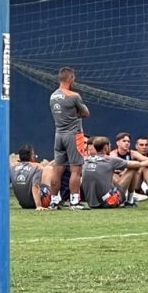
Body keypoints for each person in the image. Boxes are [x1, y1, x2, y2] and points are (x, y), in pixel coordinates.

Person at [49, 66, 89, 210]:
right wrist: (76, 114)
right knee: (76, 169)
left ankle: (54, 201)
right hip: (73, 135)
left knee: (57, 169)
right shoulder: (74, 96)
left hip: (58, 135)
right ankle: (74, 202)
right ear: (71, 78)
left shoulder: (52, 96)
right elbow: (86, 113)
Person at [82, 136, 148, 209]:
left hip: (90, 203)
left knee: (107, 174)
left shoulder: (86, 161)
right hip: (109, 202)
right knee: (133, 168)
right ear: (106, 147)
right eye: (109, 145)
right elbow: (136, 165)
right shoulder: (110, 160)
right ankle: (130, 201)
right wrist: (143, 164)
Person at [10, 145, 53, 210]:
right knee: (48, 169)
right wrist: (38, 206)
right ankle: (56, 199)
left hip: (23, 204)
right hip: (40, 202)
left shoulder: (12, 166)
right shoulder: (37, 167)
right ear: (31, 156)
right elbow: (35, 186)